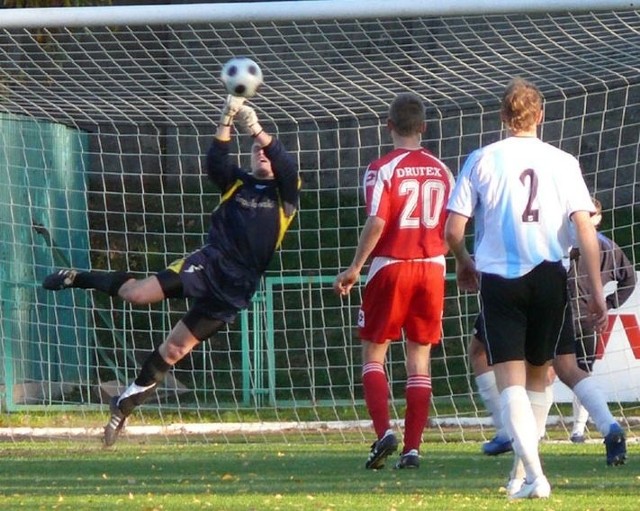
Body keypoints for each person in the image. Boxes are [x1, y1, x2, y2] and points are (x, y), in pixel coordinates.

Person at [42, 94, 301, 447]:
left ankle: (124, 404)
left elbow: (286, 164)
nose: (262, 154)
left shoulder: (285, 193)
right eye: (256, 150)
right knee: (138, 294)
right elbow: (215, 161)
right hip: (208, 263)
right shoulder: (236, 183)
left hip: (237, 287)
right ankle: (78, 277)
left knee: (174, 351)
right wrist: (226, 120)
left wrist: (255, 128)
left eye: (266, 152)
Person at [445, 77, 625, 500]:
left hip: (501, 280)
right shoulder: (562, 161)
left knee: (510, 381)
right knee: (542, 375)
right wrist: (597, 289)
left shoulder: (481, 158)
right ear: (540, 116)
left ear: (503, 117)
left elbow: (453, 229)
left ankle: (533, 475)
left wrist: (464, 262)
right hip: (549, 276)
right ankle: (524, 474)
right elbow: (584, 226)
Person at [333, 92, 454, 470]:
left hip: (390, 265)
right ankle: (413, 449)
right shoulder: (442, 169)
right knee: (419, 358)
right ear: (423, 128)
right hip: (433, 267)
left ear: (388, 126)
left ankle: (385, 431)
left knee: (374, 352)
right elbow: (453, 225)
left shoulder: (382, 168)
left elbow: (378, 220)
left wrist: (355, 266)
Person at [568, 197, 637, 442]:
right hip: (553, 313)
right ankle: (540, 428)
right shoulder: (559, 241)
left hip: (584, 317)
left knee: (583, 370)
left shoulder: (606, 246)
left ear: (598, 218)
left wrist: (608, 304)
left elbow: (629, 279)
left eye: (591, 214)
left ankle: (578, 429)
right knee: (543, 367)